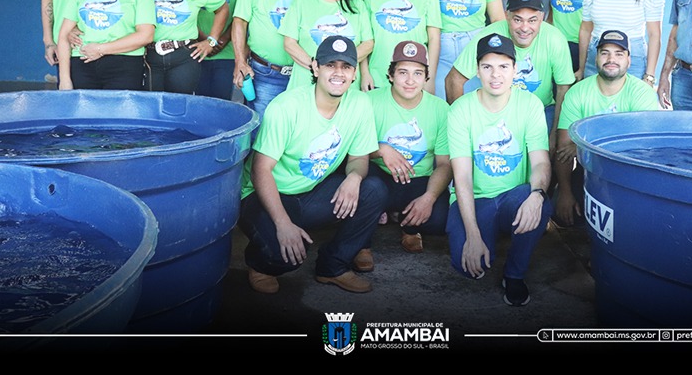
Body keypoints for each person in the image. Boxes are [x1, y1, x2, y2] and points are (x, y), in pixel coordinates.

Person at [237, 35, 387, 294]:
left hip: (311, 192)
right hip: (266, 195)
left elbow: (359, 158)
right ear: (315, 68)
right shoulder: (286, 107)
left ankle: (333, 267)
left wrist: (353, 178)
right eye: (330, 65)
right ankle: (260, 264)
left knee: (373, 189)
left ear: (354, 74)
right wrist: (283, 224)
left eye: (346, 67)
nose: (338, 73)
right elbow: (262, 170)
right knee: (284, 254)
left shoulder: (360, 104)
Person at [446, 33, 553, 307]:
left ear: (515, 70)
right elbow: (462, 177)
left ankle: (514, 274)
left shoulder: (530, 104)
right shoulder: (460, 109)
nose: (496, 75)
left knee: (539, 203)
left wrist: (538, 194)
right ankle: (483, 236)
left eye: (504, 66)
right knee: (468, 266)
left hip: (511, 198)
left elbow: (541, 162)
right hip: (476, 200)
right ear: (477, 71)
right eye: (487, 67)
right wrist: (472, 235)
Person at [552, 30, 659, 226]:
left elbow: (643, 148)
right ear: (596, 57)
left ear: (629, 60)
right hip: (592, 172)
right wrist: (565, 193)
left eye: (619, 54)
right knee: (564, 213)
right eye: (605, 52)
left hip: (631, 174)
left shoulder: (643, 94)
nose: (611, 59)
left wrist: (583, 145)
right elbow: (564, 150)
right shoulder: (578, 93)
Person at [445, 0, 574, 141]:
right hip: (495, 112)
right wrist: (462, 122)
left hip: (541, 110)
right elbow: (454, 79)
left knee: (562, 152)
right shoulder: (489, 36)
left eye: (532, 20)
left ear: (542, 18)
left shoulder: (555, 38)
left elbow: (563, 89)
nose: (525, 28)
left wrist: (555, 136)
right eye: (517, 19)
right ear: (507, 16)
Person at [365, 41, 451, 256]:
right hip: (379, 177)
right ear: (391, 74)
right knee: (365, 188)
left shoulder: (440, 109)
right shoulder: (368, 101)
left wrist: (429, 198)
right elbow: (349, 150)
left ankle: (408, 226)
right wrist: (381, 149)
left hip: (417, 178)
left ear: (426, 78)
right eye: (403, 72)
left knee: (440, 221)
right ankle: (362, 244)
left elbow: (444, 164)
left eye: (418, 73)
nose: (410, 81)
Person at [232, 0, 308, 120]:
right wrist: (240, 61)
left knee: (297, 130)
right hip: (265, 74)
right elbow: (240, 21)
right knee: (262, 133)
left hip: (302, 75)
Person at [280, 0, 373, 91]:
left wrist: (340, 68)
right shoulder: (302, 0)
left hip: (344, 83)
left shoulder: (356, 3)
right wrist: (316, 67)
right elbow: (289, 43)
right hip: (306, 81)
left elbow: (368, 43)